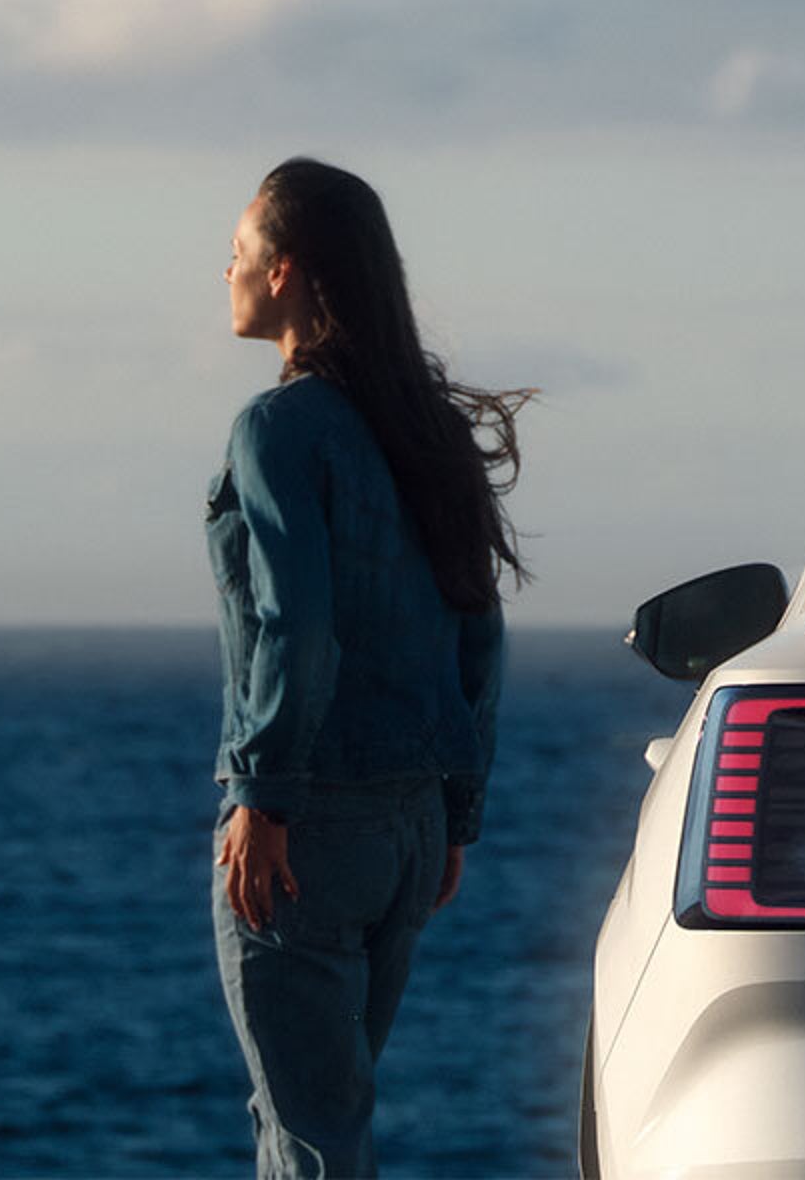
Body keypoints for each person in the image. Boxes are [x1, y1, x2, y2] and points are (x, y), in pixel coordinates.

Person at [209, 158, 529, 1180]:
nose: (224, 269)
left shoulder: (277, 428)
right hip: (409, 825)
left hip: (312, 819)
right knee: (331, 1119)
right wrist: (455, 815)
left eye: (239, 252)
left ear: (285, 271)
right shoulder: (423, 430)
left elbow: (295, 624)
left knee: (307, 1133)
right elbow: (481, 633)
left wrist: (262, 796)